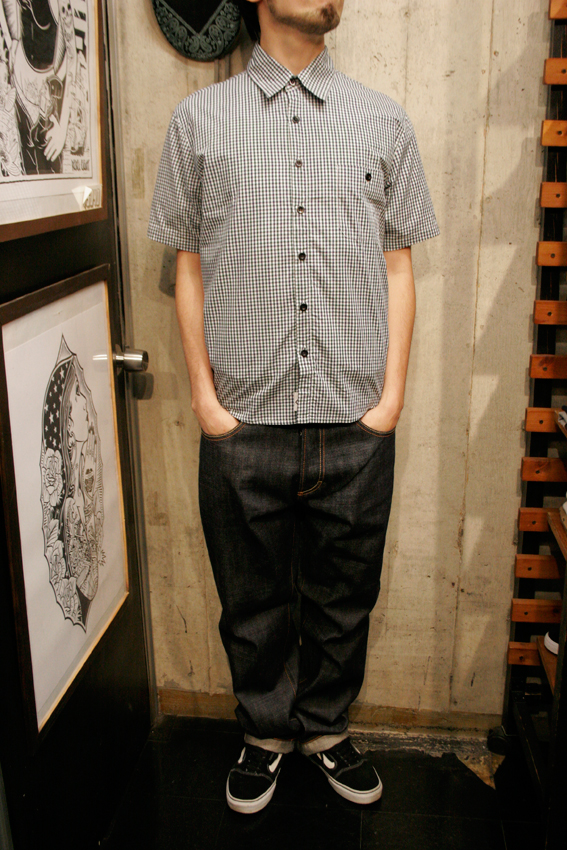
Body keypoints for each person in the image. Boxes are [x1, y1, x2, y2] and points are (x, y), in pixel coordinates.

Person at [148, 0, 439, 815]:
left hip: (355, 419)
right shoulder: (198, 121)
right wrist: (206, 401)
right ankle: (266, 732)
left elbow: (398, 266)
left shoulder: (382, 120)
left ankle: (325, 728)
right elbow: (187, 266)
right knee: (251, 601)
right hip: (242, 421)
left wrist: (389, 401)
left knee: (345, 598)